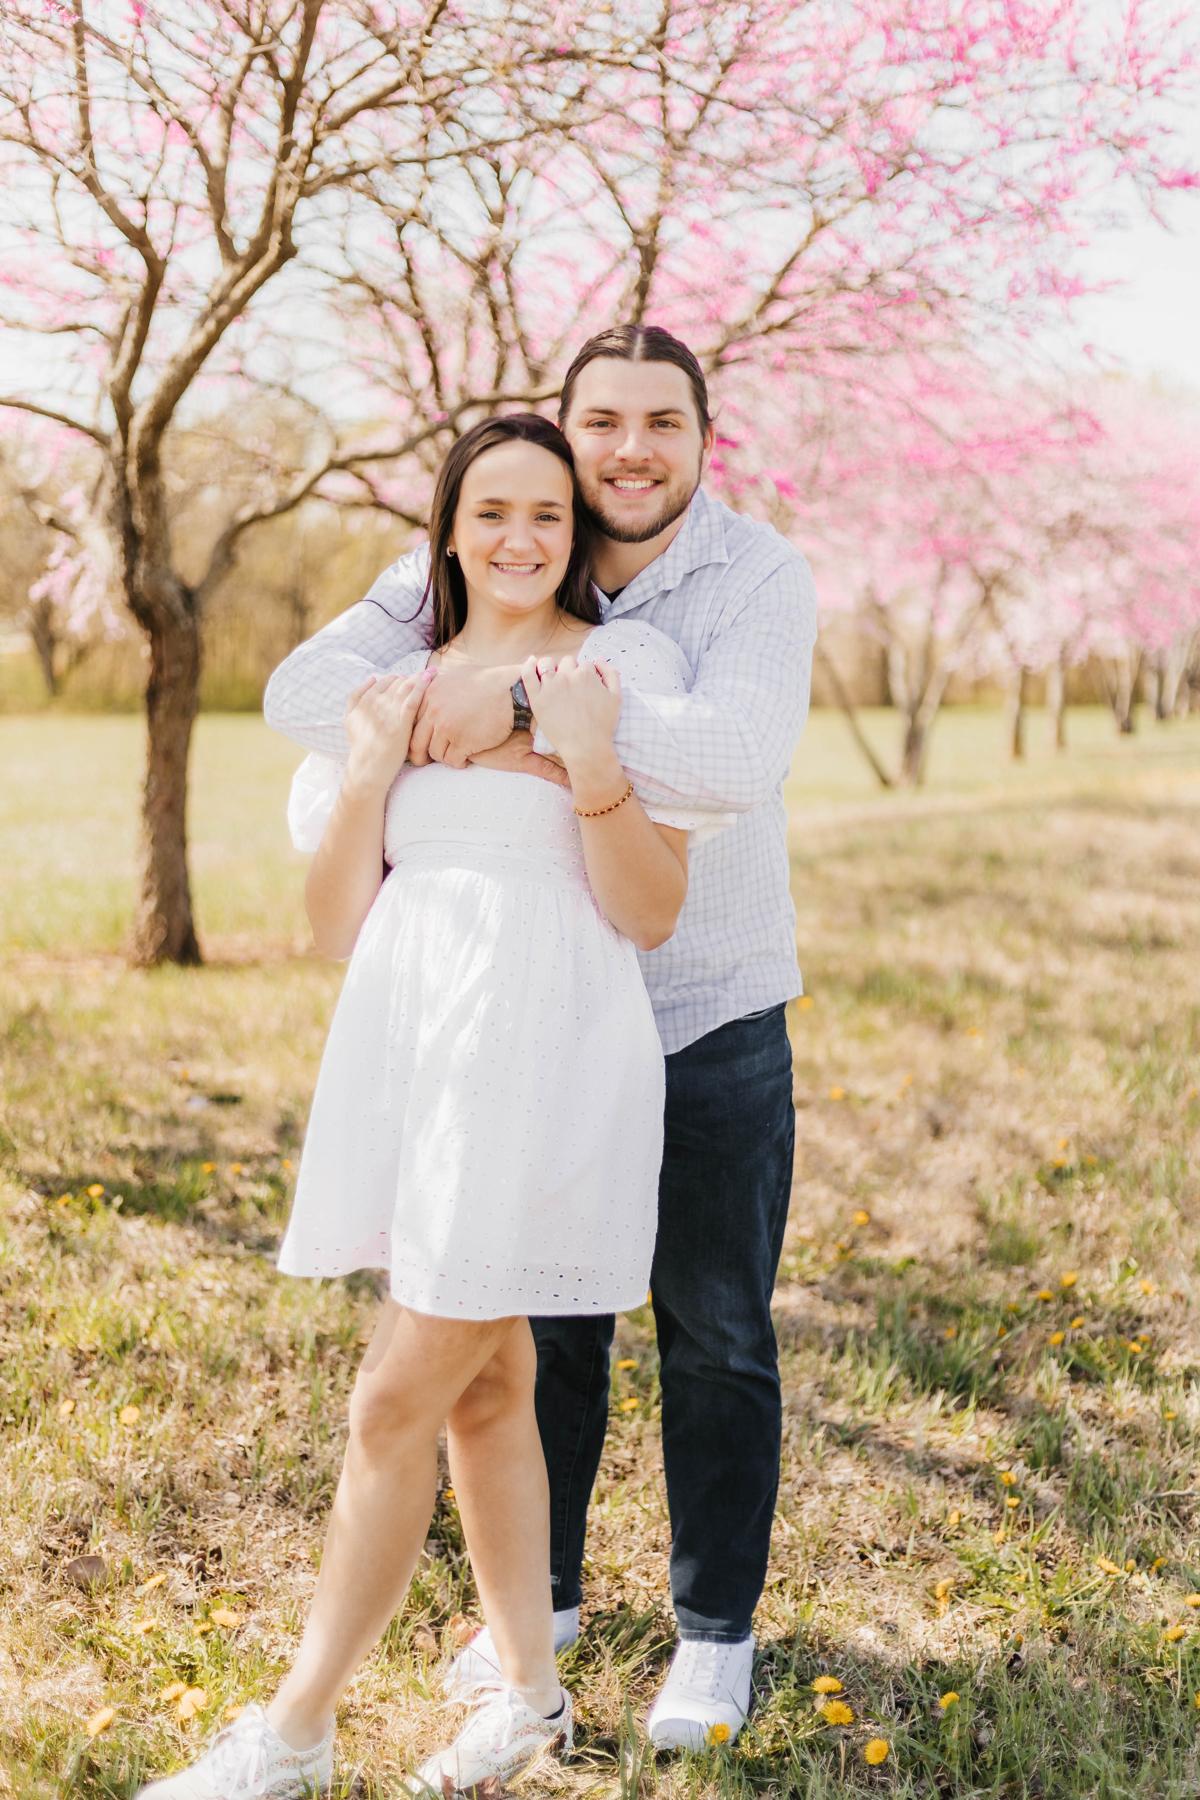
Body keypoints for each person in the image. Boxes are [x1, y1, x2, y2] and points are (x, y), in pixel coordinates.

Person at [137, 413, 711, 1799]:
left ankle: (296, 1731)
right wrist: (374, 770)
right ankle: (531, 1700)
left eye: (549, 514)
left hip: (545, 1061)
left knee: (394, 1402)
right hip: (420, 1061)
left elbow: (650, 911)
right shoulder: (390, 688)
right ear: (446, 530)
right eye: (492, 510)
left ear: (578, 534)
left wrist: (585, 760)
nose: (521, 537)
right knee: (489, 1389)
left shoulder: (620, 671)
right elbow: (338, 923)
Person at [264, 324, 818, 1749]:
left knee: (713, 1329)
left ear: (704, 439)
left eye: (663, 423)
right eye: (604, 423)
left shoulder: (745, 580)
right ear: (563, 437)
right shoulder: (445, 578)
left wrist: (524, 716)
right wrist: (433, 712)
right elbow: (301, 700)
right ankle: (541, 1629)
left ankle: (712, 1634)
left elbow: (736, 760)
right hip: (495, 1034)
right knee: (531, 1344)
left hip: (701, 1001)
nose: (631, 449)